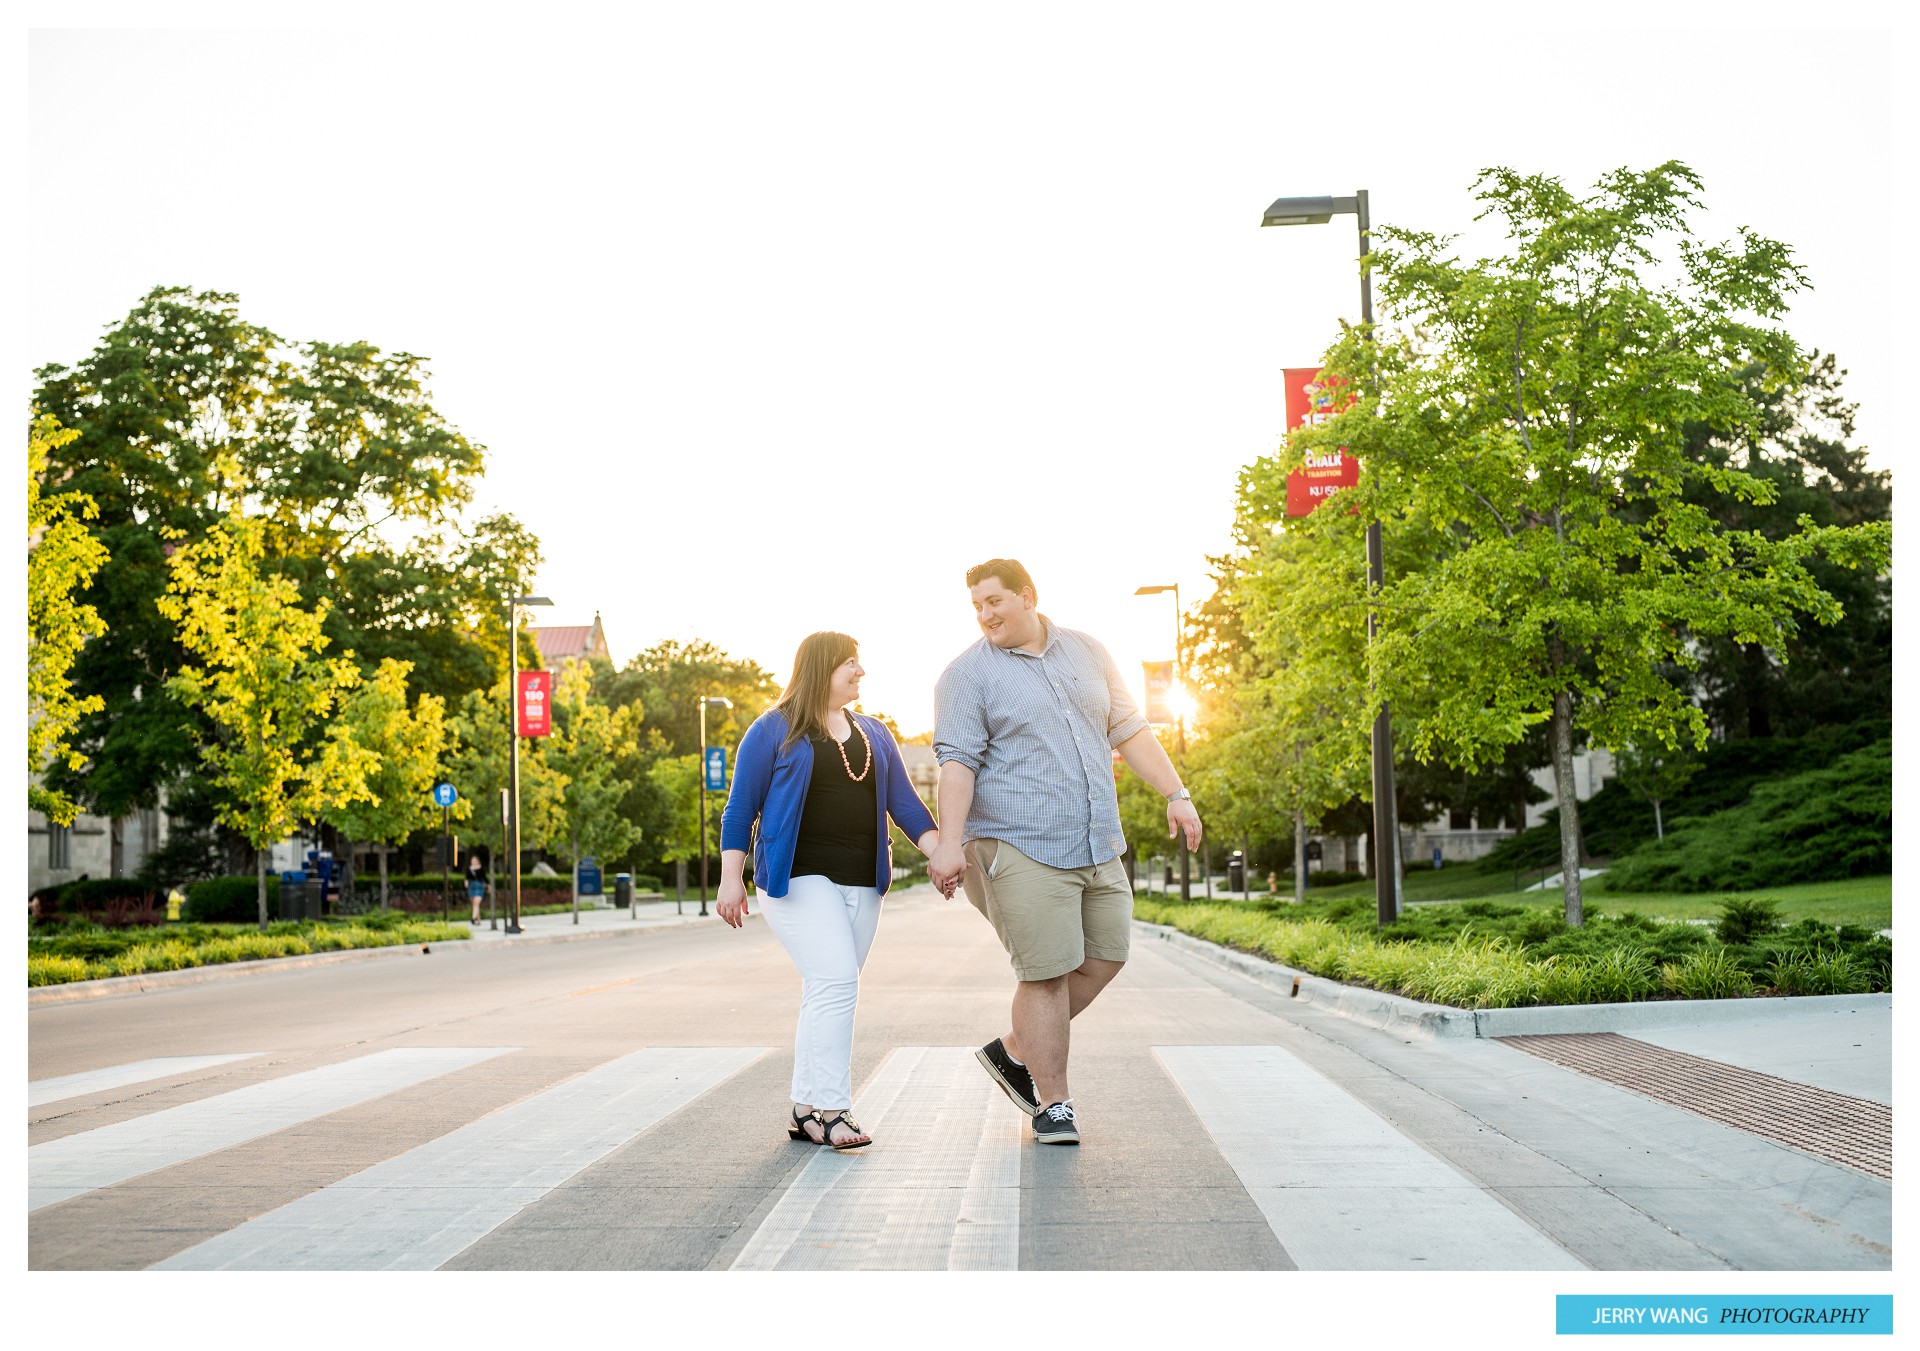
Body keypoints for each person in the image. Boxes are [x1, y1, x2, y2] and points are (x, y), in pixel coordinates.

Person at [928, 559, 1203, 1145]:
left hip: (1097, 839)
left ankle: (1013, 1050)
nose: (985, 615)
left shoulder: (1088, 651)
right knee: (1046, 974)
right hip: (1017, 842)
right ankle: (1053, 1102)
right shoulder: (966, 677)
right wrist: (949, 844)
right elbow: (957, 763)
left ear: (1028, 596)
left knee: (1106, 955)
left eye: (995, 601)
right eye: (976, 605)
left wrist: (1176, 794)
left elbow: (1129, 727)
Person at [716, 631, 942, 1150]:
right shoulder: (773, 729)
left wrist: (941, 854)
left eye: (860, 665)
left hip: (862, 879)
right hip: (796, 878)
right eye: (850, 665)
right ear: (821, 669)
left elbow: (905, 805)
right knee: (838, 981)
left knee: (827, 988)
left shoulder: (875, 733)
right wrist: (733, 877)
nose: (860, 673)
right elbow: (740, 808)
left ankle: (803, 1109)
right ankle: (836, 1110)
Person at [465, 852, 487, 924]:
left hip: (479, 886)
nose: (473, 861)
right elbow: (467, 877)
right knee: (474, 904)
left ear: (477, 861)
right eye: (472, 860)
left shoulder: (481, 868)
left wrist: (488, 886)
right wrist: (466, 883)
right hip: (471, 886)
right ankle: (478, 920)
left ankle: (473, 918)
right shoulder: (469, 869)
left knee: (476, 903)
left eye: (475, 860)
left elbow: (484, 878)